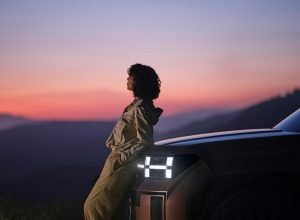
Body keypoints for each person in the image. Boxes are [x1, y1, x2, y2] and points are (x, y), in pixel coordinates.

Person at [84, 63, 163, 220]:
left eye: (131, 76)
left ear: (138, 81)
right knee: (99, 208)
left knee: (95, 209)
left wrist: (120, 159)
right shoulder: (138, 106)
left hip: (121, 166)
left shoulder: (139, 109)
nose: (127, 79)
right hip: (117, 164)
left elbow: (144, 142)